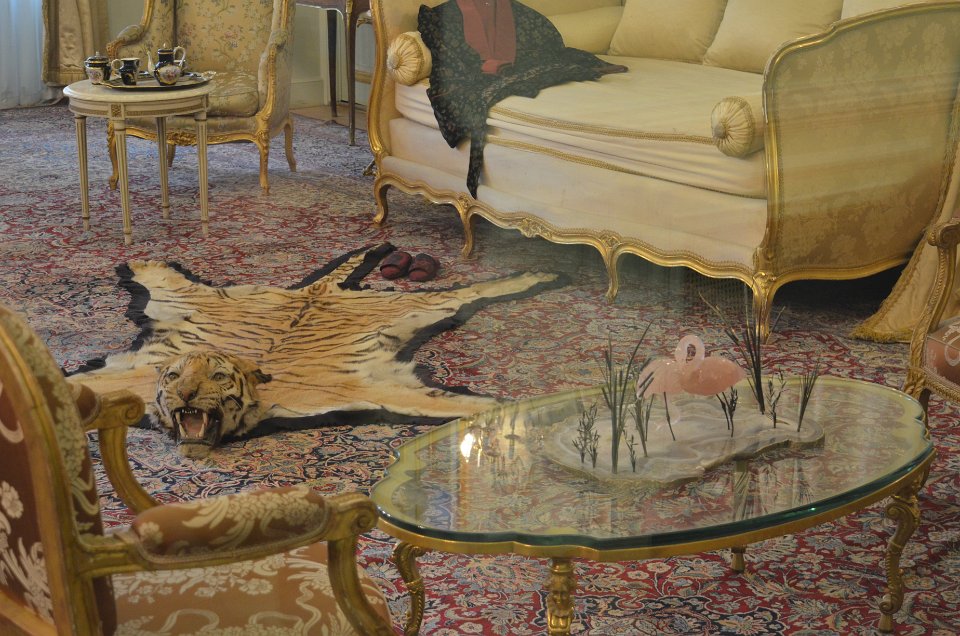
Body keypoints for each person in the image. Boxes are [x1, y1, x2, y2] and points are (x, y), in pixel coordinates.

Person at [418, 0, 626, 197]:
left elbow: (545, 38)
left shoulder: (507, 8)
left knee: (544, 57)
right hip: (472, 63)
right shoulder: (442, 16)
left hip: (508, 52)